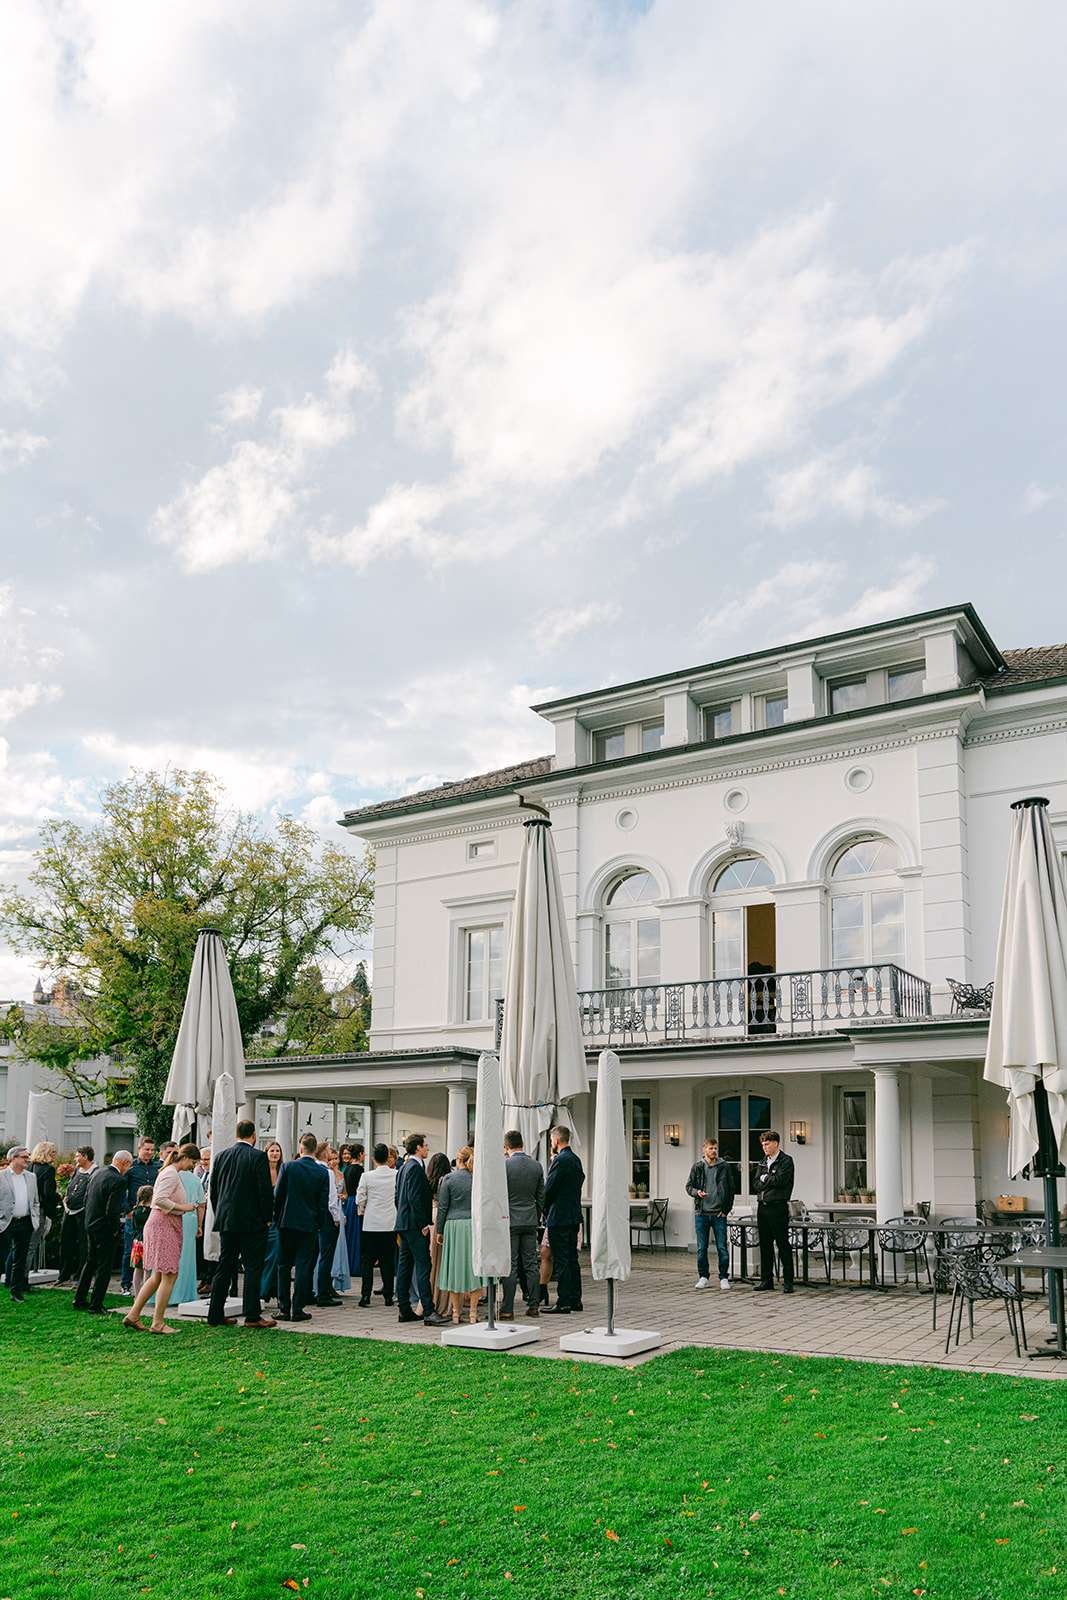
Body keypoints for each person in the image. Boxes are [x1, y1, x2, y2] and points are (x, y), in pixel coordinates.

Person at [124, 1144, 201, 1333]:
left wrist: (182, 1208)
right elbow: (159, 1200)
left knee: (158, 1275)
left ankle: (133, 1315)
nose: (192, 1166)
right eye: (193, 1162)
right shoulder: (171, 1173)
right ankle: (158, 1322)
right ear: (185, 1158)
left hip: (165, 1224)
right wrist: (186, 1207)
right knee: (169, 1274)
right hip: (163, 1226)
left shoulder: (169, 1172)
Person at [207, 1119, 277, 1328]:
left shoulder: (221, 1156)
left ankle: (215, 1314)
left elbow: (214, 1189)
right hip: (252, 1222)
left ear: (236, 1134)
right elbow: (264, 1191)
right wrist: (267, 1217)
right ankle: (252, 1315)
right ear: (253, 1135)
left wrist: (221, 1211)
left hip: (227, 1219)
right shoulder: (257, 1157)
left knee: (225, 1265)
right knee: (253, 1267)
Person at [394, 1133, 451, 1328]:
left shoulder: (403, 1168)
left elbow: (397, 1197)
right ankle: (429, 1310)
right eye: (425, 1145)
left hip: (403, 1222)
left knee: (405, 1265)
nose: (427, 1148)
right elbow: (415, 1198)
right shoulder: (415, 1168)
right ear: (418, 1147)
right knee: (423, 1265)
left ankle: (404, 1308)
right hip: (415, 1224)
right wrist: (423, 1224)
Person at [274, 1131, 330, 1322]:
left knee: (283, 1266)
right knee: (303, 1267)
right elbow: (323, 1204)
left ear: (301, 1148)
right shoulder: (322, 1172)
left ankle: (283, 1308)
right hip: (309, 1225)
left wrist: (276, 1219)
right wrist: (320, 1225)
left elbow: (278, 1196)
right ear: (315, 1150)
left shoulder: (288, 1167)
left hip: (286, 1223)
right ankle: (297, 1308)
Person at [73, 1150, 134, 1314]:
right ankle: (96, 1304)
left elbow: (86, 1198)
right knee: (104, 1267)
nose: (128, 1169)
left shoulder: (98, 1173)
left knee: (90, 1262)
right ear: (123, 1163)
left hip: (91, 1223)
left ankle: (79, 1298)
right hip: (105, 1228)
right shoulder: (118, 1180)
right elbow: (112, 1210)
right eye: (129, 1165)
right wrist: (115, 1230)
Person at [499, 1130, 545, 1319]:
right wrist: (536, 1214)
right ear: (522, 1144)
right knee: (531, 1264)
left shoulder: (505, 1166)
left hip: (509, 1220)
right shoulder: (536, 1166)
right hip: (529, 1220)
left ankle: (508, 1308)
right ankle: (534, 1305)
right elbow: (541, 1195)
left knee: (511, 1265)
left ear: (506, 1146)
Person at [435, 1146, 483, 1325]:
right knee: (474, 1271)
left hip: (453, 1226)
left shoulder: (448, 1179)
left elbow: (443, 1208)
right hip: (472, 1225)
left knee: (454, 1269)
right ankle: (472, 1313)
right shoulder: (477, 1180)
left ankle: (455, 1314)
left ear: (457, 1159)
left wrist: (439, 1230)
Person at [542, 1125, 584, 1315]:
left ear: (557, 1140)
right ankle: (575, 1299)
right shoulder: (575, 1160)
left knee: (562, 1260)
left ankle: (564, 1301)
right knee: (572, 1259)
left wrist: (544, 1209)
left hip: (559, 1217)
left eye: (551, 1140)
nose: (551, 1143)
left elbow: (549, 1189)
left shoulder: (560, 1160)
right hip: (574, 1214)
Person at [686, 1138, 737, 1291]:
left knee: (722, 1247)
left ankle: (723, 1278)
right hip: (701, 1213)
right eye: (710, 1148)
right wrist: (697, 1192)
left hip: (719, 1214)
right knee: (702, 1248)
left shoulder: (724, 1166)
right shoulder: (697, 1167)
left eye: (715, 1148)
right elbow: (688, 1187)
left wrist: (726, 1210)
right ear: (704, 1150)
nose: (713, 1151)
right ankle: (703, 1277)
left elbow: (731, 1189)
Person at [753, 1130, 795, 1294]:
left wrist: (766, 1179)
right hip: (762, 1207)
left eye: (767, 1144)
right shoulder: (763, 1161)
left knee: (783, 1244)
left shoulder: (786, 1161)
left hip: (778, 1207)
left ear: (776, 1143)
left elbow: (781, 1181)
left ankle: (788, 1282)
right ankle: (766, 1280)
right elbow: (755, 1183)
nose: (764, 1147)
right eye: (763, 1144)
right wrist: (766, 1179)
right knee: (765, 1245)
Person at [356, 1143, 397, 1307]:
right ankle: (388, 1295)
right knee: (388, 1261)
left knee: (367, 1262)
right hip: (390, 1223)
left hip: (371, 1224)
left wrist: (363, 1208)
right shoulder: (396, 1174)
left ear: (373, 1158)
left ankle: (365, 1296)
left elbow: (360, 1199)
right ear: (388, 1157)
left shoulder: (366, 1176)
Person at [119, 1137, 161, 1293]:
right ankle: (126, 1284)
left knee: (151, 1251)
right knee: (131, 1249)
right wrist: (128, 1210)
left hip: (154, 1214)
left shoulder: (158, 1166)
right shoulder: (131, 1168)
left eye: (152, 1150)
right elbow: (121, 1190)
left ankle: (147, 1289)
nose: (150, 1152)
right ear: (139, 1149)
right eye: (147, 1149)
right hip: (135, 1215)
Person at [0, 1147, 41, 1302]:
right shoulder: (2, 1176)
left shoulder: (31, 1177)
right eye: (24, 1157)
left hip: (25, 1222)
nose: (27, 1160)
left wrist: (35, 1220)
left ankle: (16, 1292)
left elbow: (35, 1201)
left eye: (28, 1157)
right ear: (14, 1158)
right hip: (5, 1222)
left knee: (20, 1259)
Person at [171, 1156, 206, 1308]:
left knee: (172, 1256)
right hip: (190, 1218)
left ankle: (168, 1293)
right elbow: (201, 1205)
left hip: (174, 1216)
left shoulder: (171, 1175)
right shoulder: (195, 1180)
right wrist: (199, 1225)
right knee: (187, 1258)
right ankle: (185, 1293)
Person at [313, 1142, 345, 1308]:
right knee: (326, 1256)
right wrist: (336, 1219)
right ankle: (323, 1293)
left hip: (312, 1218)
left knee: (313, 1257)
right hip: (326, 1218)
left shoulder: (311, 1169)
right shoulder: (327, 1172)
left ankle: (310, 1291)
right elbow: (332, 1200)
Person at [58, 1145, 96, 1284]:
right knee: (65, 1241)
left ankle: (81, 1274)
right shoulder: (76, 1171)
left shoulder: (94, 1172)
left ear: (86, 1156)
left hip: (83, 1213)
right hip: (69, 1211)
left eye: (78, 1156)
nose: (75, 1158)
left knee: (83, 1244)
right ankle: (64, 1274)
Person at [28, 1141, 61, 1275]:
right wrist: (58, 1197)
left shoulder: (30, 1166)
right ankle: (23, 1280)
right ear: (46, 1153)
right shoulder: (48, 1169)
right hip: (41, 1209)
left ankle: (16, 1277)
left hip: (29, 1208)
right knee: (33, 1244)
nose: (55, 1155)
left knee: (25, 1244)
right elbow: (48, 1193)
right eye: (53, 1152)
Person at [426, 1151, 453, 1317]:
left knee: (432, 1259)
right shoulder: (449, 1180)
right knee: (444, 1260)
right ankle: (446, 1299)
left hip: (431, 1216)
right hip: (444, 1218)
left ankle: (431, 1296)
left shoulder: (428, 1181)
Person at [259, 1140, 285, 1305]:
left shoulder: (284, 1171)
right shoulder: (261, 1171)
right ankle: (263, 1291)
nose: (275, 1154)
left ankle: (268, 1290)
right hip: (262, 1221)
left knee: (275, 1256)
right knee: (264, 1257)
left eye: (277, 1151)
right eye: (272, 1151)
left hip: (278, 1221)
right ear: (266, 1153)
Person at [326, 1145, 352, 1298]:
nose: (334, 1161)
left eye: (336, 1158)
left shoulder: (342, 1174)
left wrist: (343, 1196)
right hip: (330, 1213)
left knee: (339, 1248)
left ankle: (335, 1281)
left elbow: (346, 1193)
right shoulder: (325, 1174)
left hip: (339, 1211)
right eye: (332, 1159)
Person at [342, 1144, 364, 1278]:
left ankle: (349, 1263)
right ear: (360, 1154)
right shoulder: (359, 1170)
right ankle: (355, 1265)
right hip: (356, 1201)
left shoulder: (347, 1169)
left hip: (348, 1202)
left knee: (349, 1234)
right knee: (356, 1234)